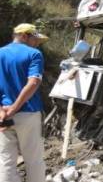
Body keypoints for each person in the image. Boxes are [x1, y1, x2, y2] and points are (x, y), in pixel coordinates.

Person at [0, 23, 48, 182]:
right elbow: (33, 82)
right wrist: (15, 108)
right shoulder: (35, 54)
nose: (36, 43)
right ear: (25, 35)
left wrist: (2, 110)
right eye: (35, 39)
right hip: (28, 112)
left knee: (6, 161)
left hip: (3, 115)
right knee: (33, 160)